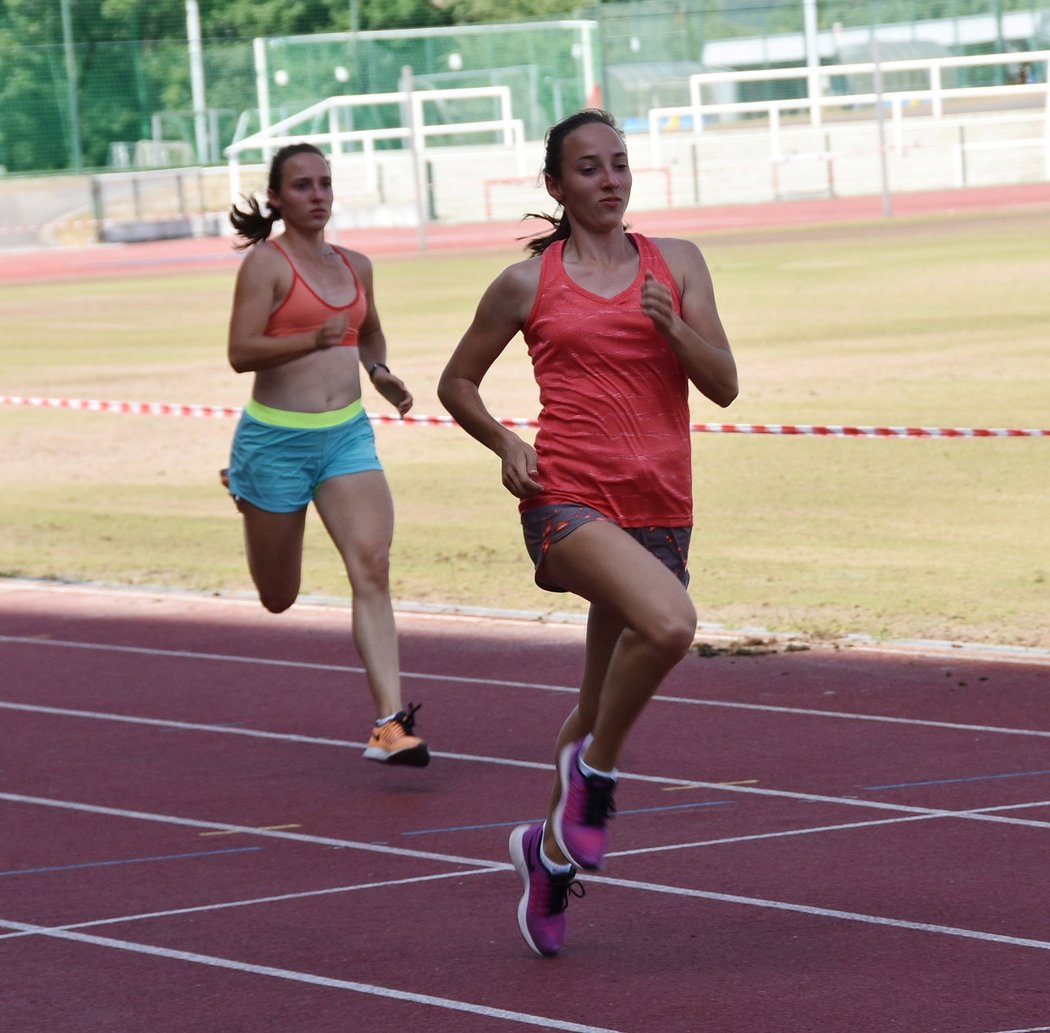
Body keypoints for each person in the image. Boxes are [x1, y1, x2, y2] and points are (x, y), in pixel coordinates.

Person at [438, 109, 737, 956]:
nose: (610, 181)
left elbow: (724, 386)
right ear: (556, 187)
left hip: (662, 506)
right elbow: (458, 380)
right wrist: (504, 441)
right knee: (672, 623)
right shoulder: (525, 284)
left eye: (619, 164)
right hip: (566, 499)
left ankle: (548, 857)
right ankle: (594, 778)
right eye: (589, 169)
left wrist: (672, 326)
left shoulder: (676, 264)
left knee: (594, 698)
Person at [224, 142, 428, 767]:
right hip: (276, 440)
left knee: (371, 564)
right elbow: (240, 351)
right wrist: (305, 340)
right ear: (279, 198)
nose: (318, 194)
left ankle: (390, 726)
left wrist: (381, 372)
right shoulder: (267, 264)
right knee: (278, 596)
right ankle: (247, 486)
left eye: (325, 183)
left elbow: (368, 331)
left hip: (346, 435)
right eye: (303, 185)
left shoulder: (355, 264)